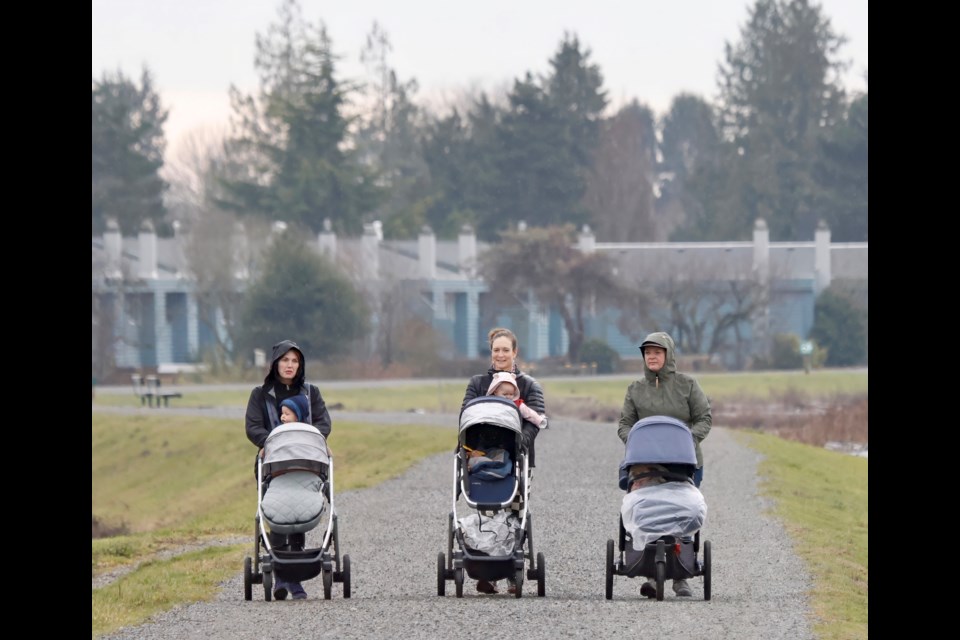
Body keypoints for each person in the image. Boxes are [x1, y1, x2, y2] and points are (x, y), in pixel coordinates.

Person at [617, 331, 711, 598]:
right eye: (647, 352)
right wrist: (635, 441)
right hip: (645, 464)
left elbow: (704, 417)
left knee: (680, 513)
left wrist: (686, 440)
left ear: (668, 355)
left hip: (684, 461)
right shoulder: (635, 389)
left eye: (657, 352)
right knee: (650, 512)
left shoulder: (687, 385)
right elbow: (625, 424)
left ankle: (681, 576)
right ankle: (649, 571)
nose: (652, 356)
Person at [245, 339, 333, 601]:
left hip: (305, 462)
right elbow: (253, 427)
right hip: (273, 462)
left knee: (299, 508)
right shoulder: (260, 395)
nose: (290, 365)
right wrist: (267, 443)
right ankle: (286, 579)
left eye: (295, 361)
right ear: (275, 364)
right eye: (285, 360)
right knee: (278, 508)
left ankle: (291, 577)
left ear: (300, 365)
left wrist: (312, 441)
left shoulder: (310, 393)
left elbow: (323, 423)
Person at [461, 327, 545, 595]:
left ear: (515, 352)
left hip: (518, 458)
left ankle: (511, 573)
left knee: (515, 512)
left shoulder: (529, 385)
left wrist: (521, 441)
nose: (500, 354)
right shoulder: (478, 384)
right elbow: (466, 416)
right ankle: (487, 571)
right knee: (488, 510)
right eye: (496, 350)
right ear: (491, 352)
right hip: (483, 456)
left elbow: (537, 420)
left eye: (505, 350)